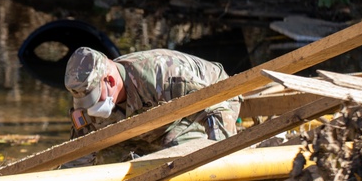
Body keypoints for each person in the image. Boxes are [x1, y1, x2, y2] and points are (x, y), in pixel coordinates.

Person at [64, 46, 239, 155]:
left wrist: (218, 160)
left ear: (110, 80)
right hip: (154, 120)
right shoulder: (86, 103)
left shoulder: (165, 77)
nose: (91, 107)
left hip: (217, 97)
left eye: (94, 98)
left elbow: (218, 109)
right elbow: (80, 151)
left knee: (172, 154)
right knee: (109, 156)